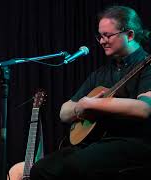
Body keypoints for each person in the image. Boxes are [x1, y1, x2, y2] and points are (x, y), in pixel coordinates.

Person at [30, 5, 151, 180]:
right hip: (98, 142)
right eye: (100, 36)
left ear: (130, 35)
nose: (101, 41)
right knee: (42, 169)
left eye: (107, 35)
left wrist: (94, 104)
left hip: (133, 141)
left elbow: (144, 108)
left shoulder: (147, 65)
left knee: (76, 165)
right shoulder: (101, 73)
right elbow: (64, 112)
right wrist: (80, 107)